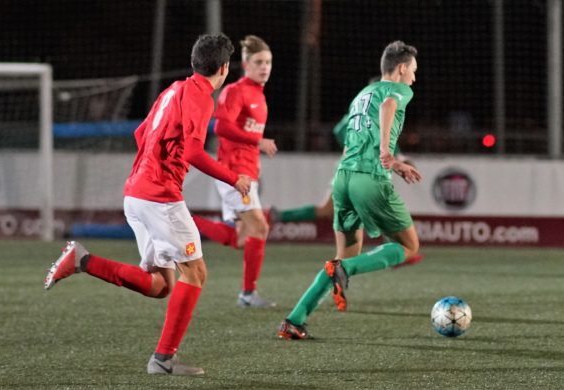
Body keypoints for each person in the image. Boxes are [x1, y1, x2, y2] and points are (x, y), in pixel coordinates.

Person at [44, 33, 252, 375]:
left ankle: (82, 259)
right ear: (225, 68)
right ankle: (163, 360)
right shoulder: (201, 98)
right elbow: (194, 152)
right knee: (196, 272)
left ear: (194, 62)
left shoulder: (173, 90)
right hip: (159, 197)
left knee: (160, 285)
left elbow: (140, 133)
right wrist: (234, 178)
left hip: (136, 192)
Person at [278, 40, 422, 340]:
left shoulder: (361, 95)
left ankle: (295, 319)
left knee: (341, 260)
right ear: (402, 67)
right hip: (370, 179)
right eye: (413, 71)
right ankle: (346, 271)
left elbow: (354, 136)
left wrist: (392, 162)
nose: (414, 78)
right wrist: (388, 154)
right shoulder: (397, 91)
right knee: (409, 247)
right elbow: (389, 106)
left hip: (343, 179)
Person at [191, 35, 277, 308]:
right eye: (259, 62)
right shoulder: (236, 91)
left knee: (242, 237)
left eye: (268, 62)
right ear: (245, 64)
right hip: (232, 172)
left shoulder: (259, 96)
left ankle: (187, 220)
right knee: (260, 227)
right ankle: (248, 295)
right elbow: (220, 127)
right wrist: (258, 141)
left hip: (248, 171)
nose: (264, 67)